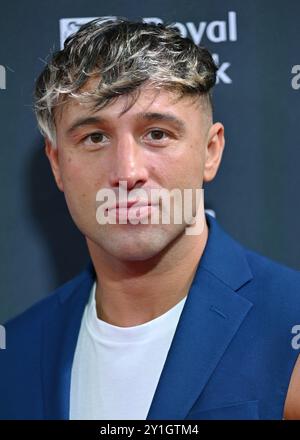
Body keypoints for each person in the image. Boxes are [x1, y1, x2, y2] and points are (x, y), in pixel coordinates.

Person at [0, 17, 300, 420]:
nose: (126, 172)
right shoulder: (15, 351)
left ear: (210, 151)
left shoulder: (290, 328)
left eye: (157, 133)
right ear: (57, 165)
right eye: (95, 137)